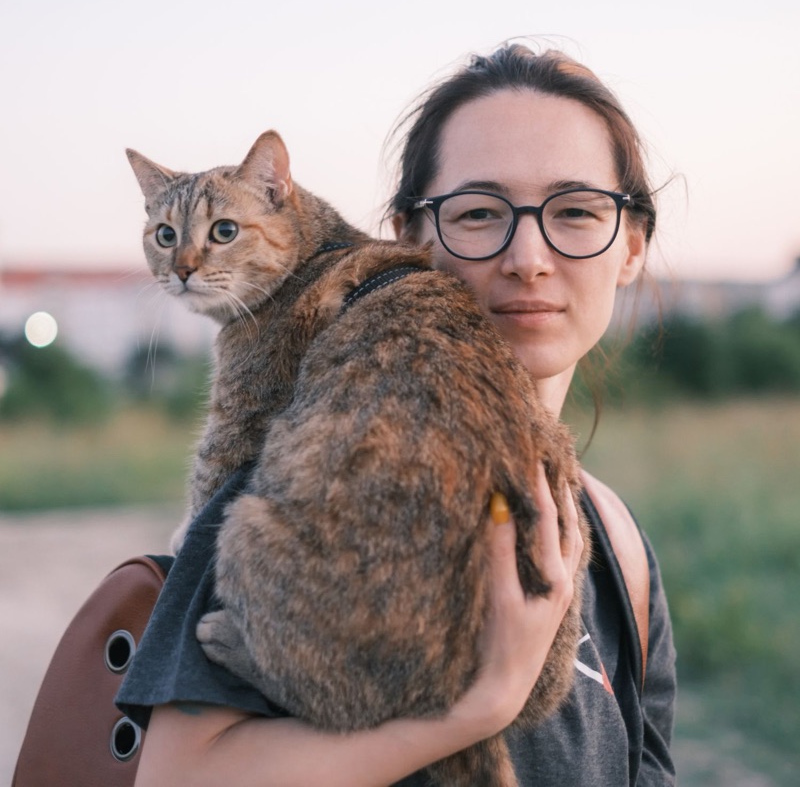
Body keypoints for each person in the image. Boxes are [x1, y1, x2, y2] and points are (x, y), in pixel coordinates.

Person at [121, 42, 677, 786]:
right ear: (408, 237)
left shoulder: (621, 550)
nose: (528, 257)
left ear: (632, 245)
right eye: (479, 212)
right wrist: (479, 708)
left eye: (575, 211)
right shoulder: (289, 480)